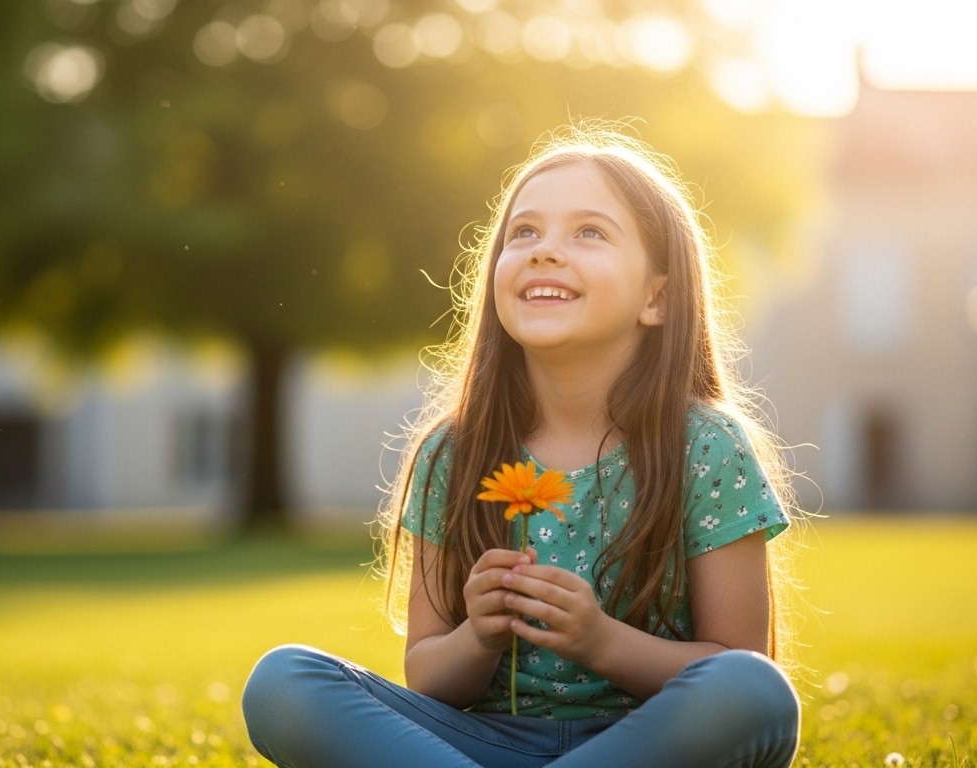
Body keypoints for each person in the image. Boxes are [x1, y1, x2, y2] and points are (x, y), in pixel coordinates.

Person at [242, 122, 803, 767]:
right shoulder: (453, 453)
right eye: (524, 232)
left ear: (659, 297)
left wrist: (599, 641)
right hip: (475, 748)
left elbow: (733, 662)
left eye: (589, 232)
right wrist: (478, 635)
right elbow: (428, 675)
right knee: (284, 684)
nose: (544, 251)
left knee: (754, 692)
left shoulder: (705, 447)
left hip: (645, 745)